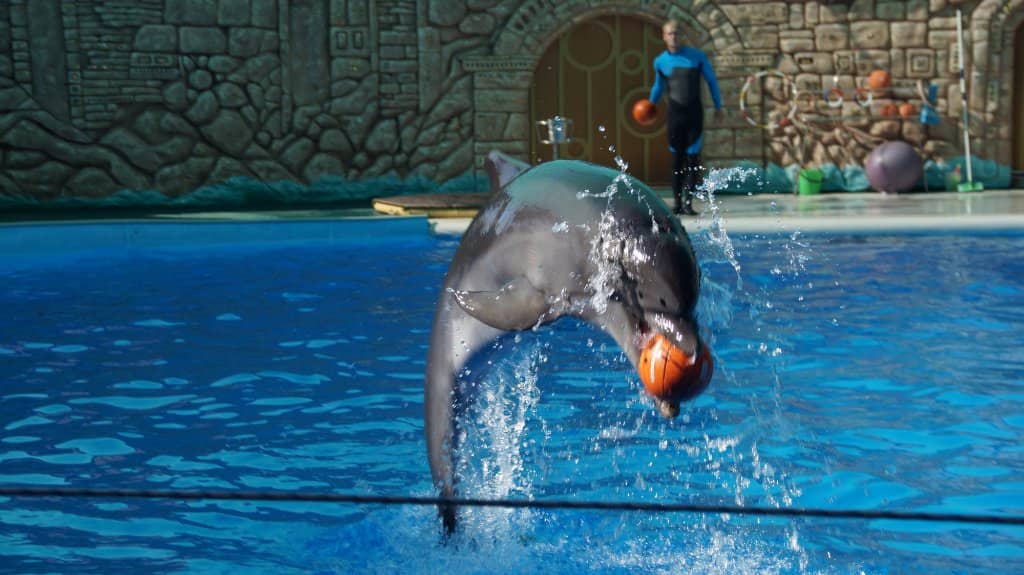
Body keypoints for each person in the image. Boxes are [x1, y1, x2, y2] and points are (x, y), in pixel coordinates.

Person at [648, 19, 724, 216]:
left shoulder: (697, 57)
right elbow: (659, 86)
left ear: (681, 36)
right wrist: (650, 105)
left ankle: (688, 203)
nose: (674, 37)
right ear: (664, 37)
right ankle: (677, 203)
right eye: (670, 33)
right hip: (675, 115)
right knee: (677, 159)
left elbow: (711, 81)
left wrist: (718, 106)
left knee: (692, 159)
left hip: (694, 114)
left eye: (676, 33)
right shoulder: (660, 61)